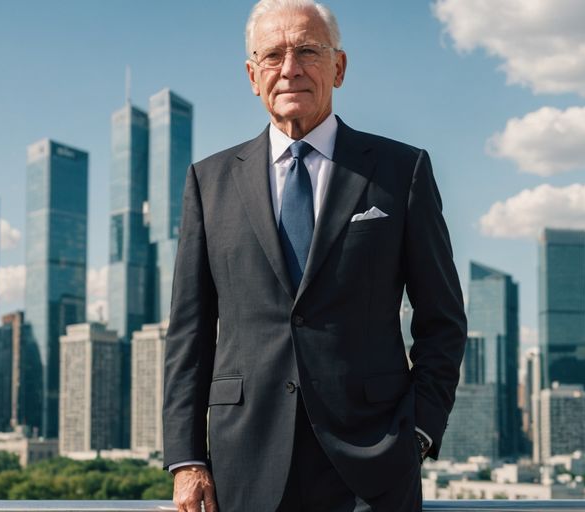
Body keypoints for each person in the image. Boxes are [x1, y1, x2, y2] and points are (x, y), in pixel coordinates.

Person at [162, 0, 466, 510]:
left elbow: (443, 321)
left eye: (307, 50)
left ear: (338, 67)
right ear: (252, 76)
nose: (290, 69)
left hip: (374, 465)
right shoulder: (209, 181)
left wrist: (417, 433)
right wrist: (187, 460)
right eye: (273, 55)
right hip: (243, 463)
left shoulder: (401, 171)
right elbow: (189, 334)